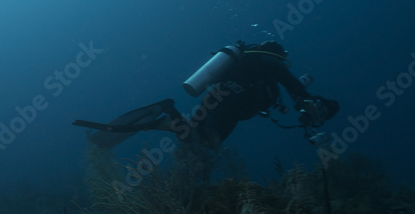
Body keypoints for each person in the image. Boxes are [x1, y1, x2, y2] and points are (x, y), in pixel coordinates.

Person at [73, 40, 339, 149]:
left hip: (224, 103)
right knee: (203, 141)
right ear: (278, 56)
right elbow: (287, 80)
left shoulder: (261, 68)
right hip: (228, 104)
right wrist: (304, 96)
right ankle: (164, 114)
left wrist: (301, 99)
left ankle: (161, 118)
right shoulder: (269, 64)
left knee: (197, 139)